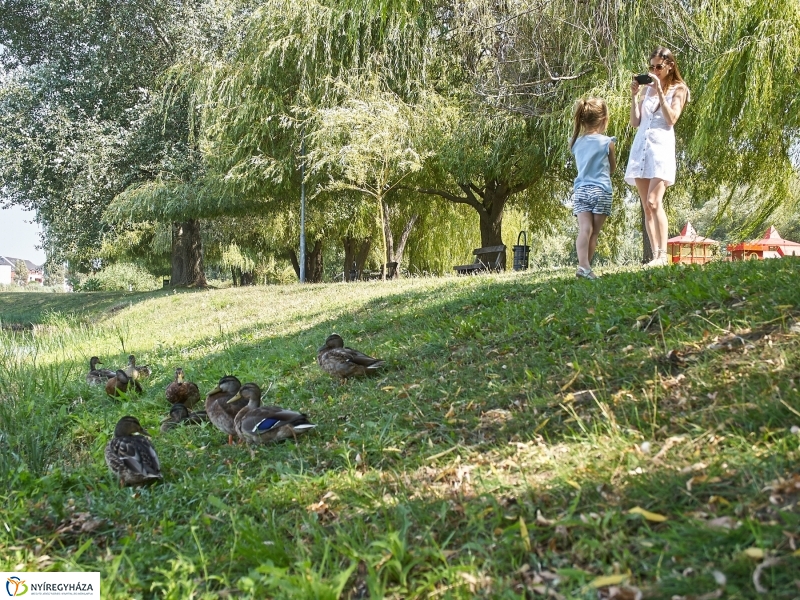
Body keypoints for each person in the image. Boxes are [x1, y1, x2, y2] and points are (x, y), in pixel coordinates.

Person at [625, 46, 690, 266]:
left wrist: (661, 93)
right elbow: (635, 122)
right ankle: (655, 256)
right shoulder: (646, 90)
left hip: (660, 149)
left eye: (658, 67)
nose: (654, 71)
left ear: (670, 66)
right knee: (646, 205)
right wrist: (635, 97)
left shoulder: (679, 89)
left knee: (655, 201)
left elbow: (671, 119)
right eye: (651, 67)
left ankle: (663, 255)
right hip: (641, 149)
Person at [570, 97, 616, 280]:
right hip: (601, 191)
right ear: (604, 119)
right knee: (594, 233)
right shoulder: (607, 142)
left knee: (584, 230)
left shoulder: (575, 143)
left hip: (581, 191)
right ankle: (584, 267)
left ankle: (584, 268)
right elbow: (612, 168)